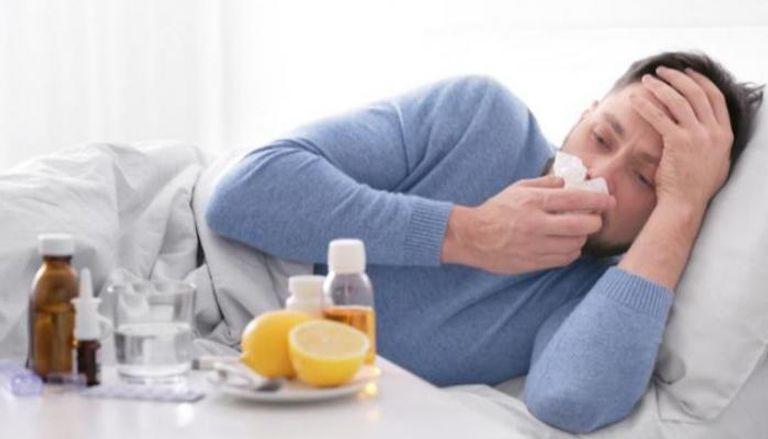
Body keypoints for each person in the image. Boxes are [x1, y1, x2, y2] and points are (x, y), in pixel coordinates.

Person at [205, 51, 763, 433]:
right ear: (585, 115)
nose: (600, 174)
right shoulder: (480, 117)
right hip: (201, 254)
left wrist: (683, 206)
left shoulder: (597, 297)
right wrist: (467, 234)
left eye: (644, 177)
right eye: (600, 137)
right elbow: (242, 193)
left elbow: (570, 400)